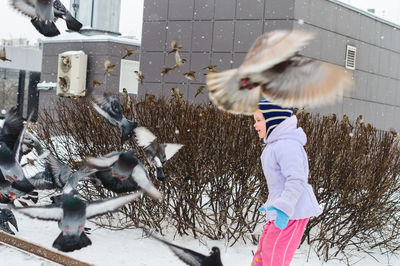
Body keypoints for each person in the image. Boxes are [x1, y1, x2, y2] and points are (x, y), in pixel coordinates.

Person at [251, 100, 322, 266]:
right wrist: (272, 203)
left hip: (292, 211)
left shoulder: (287, 145)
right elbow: (279, 184)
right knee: (264, 250)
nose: (255, 125)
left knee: (274, 255)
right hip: (281, 210)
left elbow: (296, 180)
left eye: (259, 120)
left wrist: (284, 207)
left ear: (273, 120)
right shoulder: (275, 145)